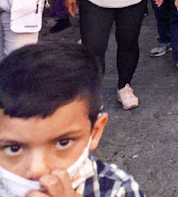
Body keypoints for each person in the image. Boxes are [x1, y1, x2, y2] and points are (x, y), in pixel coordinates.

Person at [0, 43, 145, 196]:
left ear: (94, 132)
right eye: (14, 148)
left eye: (63, 142)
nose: (38, 170)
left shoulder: (117, 189)